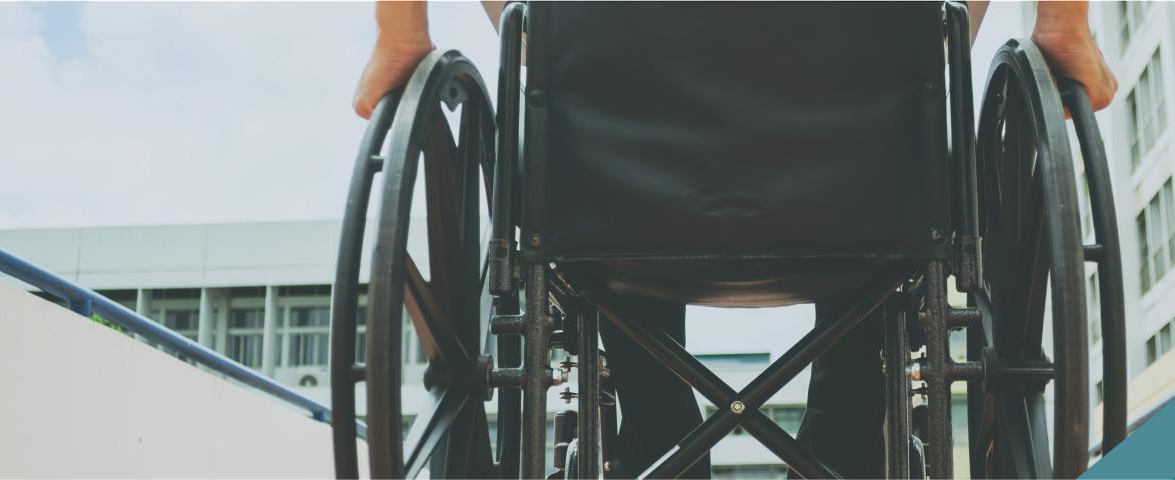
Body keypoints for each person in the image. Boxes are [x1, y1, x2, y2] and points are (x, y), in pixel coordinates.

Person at [350, 2, 1116, 477]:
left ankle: (656, 432)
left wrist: (402, 28)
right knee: (902, 67)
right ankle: (844, 432)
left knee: (595, 71)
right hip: (866, 173)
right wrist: (1061, 20)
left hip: (611, 173)